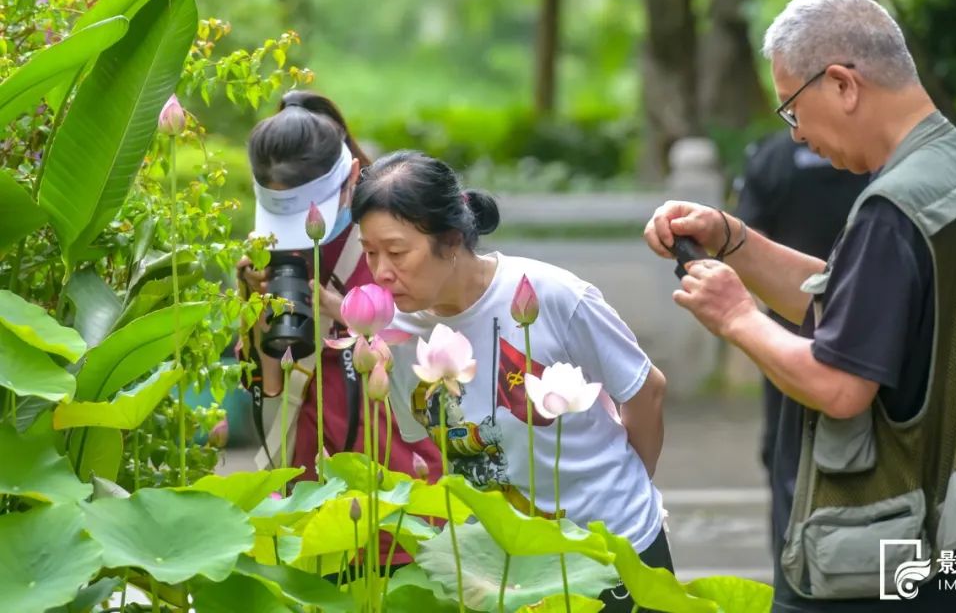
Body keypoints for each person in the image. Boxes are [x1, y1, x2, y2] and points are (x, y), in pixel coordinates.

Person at [644, 0, 956, 612]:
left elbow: (840, 384)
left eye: (792, 110)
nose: (797, 136)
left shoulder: (892, 209)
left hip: (887, 549)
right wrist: (733, 241)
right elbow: (858, 304)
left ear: (841, 84)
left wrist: (737, 315)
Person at [351, 150, 670, 613]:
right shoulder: (394, 335)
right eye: (369, 252)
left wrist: (631, 485)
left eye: (397, 252)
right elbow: (427, 443)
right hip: (504, 570)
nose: (380, 272)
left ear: (453, 239)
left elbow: (647, 389)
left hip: (613, 544)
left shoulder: (552, 296)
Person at [236, 91, 443, 567]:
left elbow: (440, 354)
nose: (300, 231)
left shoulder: (400, 238)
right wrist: (255, 303)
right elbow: (266, 386)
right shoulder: (270, 251)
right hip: (306, 498)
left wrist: (350, 313)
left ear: (352, 177)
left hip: (397, 489)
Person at [733, 131, 868, 554]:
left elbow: (746, 242)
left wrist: (739, 318)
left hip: (791, 323)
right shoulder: (873, 153)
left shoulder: (771, 157)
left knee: (787, 449)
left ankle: (792, 562)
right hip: (872, 316)